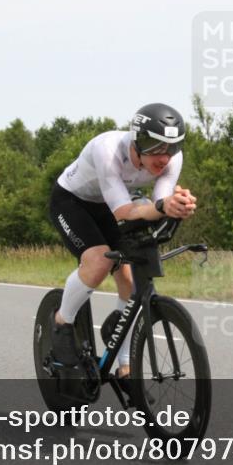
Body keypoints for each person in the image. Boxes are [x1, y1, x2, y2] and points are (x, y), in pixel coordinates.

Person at [48, 104, 196, 381]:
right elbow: (124, 213)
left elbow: (157, 205)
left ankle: (125, 366)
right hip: (72, 202)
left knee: (129, 280)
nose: (164, 157)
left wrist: (177, 206)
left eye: (172, 147)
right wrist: (163, 206)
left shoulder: (172, 159)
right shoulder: (107, 150)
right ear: (137, 139)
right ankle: (61, 323)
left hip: (112, 202)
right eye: (155, 146)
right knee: (99, 261)